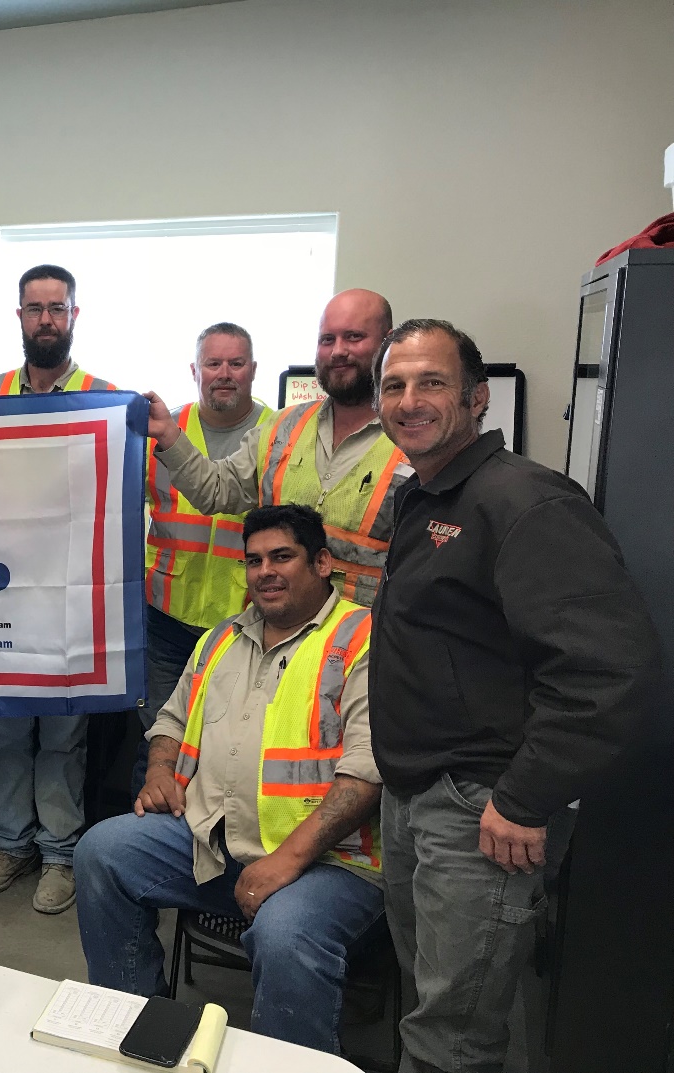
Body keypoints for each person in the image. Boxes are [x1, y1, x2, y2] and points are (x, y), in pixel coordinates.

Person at [368, 319, 659, 1073]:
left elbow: (607, 668)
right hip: (415, 791)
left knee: (451, 1035)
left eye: (431, 382)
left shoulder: (525, 502)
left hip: (482, 808)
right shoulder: (425, 494)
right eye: (394, 385)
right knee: (444, 1004)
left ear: (477, 398)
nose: (409, 400)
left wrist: (526, 798)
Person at [75, 505, 385, 1054]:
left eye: (282, 557)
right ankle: (139, 1033)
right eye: (254, 560)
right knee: (102, 852)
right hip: (217, 847)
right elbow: (170, 722)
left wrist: (285, 862)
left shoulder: (363, 640)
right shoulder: (222, 638)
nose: (265, 571)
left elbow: (367, 774)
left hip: (331, 864)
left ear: (321, 563)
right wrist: (161, 769)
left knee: (284, 934)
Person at [0, 264, 116, 915]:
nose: (46, 319)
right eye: (35, 308)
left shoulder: (105, 399)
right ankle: (9, 843)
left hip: (67, 597)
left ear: (73, 316)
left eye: (57, 308)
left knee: (61, 734)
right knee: (3, 731)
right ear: (20, 316)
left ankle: (59, 852)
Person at [145, 289, 407, 608]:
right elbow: (215, 491)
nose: (338, 351)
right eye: (327, 339)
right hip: (277, 625)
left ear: (388, 342)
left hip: (362, 632)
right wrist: (168, 434)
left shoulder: (412, 438)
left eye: (354, 337)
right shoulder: (283, 427)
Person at [135, 322, 275, 796]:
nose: (224, 373)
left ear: (253, 369)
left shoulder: (279, 436)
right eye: (213, 363)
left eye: (236, 363)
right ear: (195, 371)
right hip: (166, 617)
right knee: (157, 741)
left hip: (246, 622)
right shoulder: (160, 432)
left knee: (230, 745)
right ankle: (148, 828)